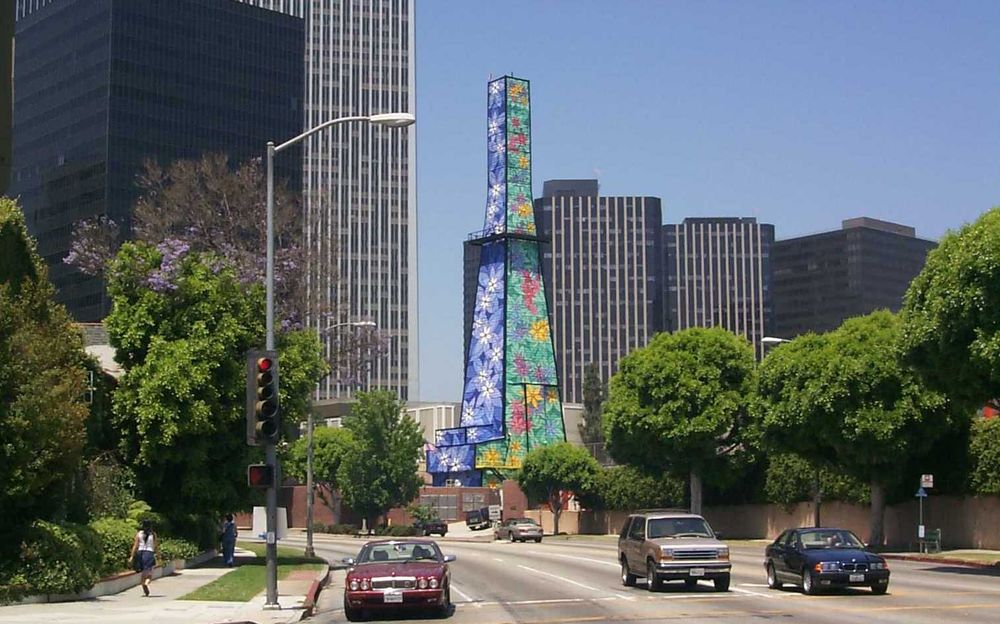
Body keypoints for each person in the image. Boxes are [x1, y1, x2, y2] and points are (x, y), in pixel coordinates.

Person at [129, 520, 159, 596]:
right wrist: (159, 556)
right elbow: (156, 546)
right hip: (149, 553)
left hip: (140, 553)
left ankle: (143, 585)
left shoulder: (139, 534)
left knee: (143, 572)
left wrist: (132, 556)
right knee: (149, 573)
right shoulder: (153, 534)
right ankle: (146, 583)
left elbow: (135, 546)